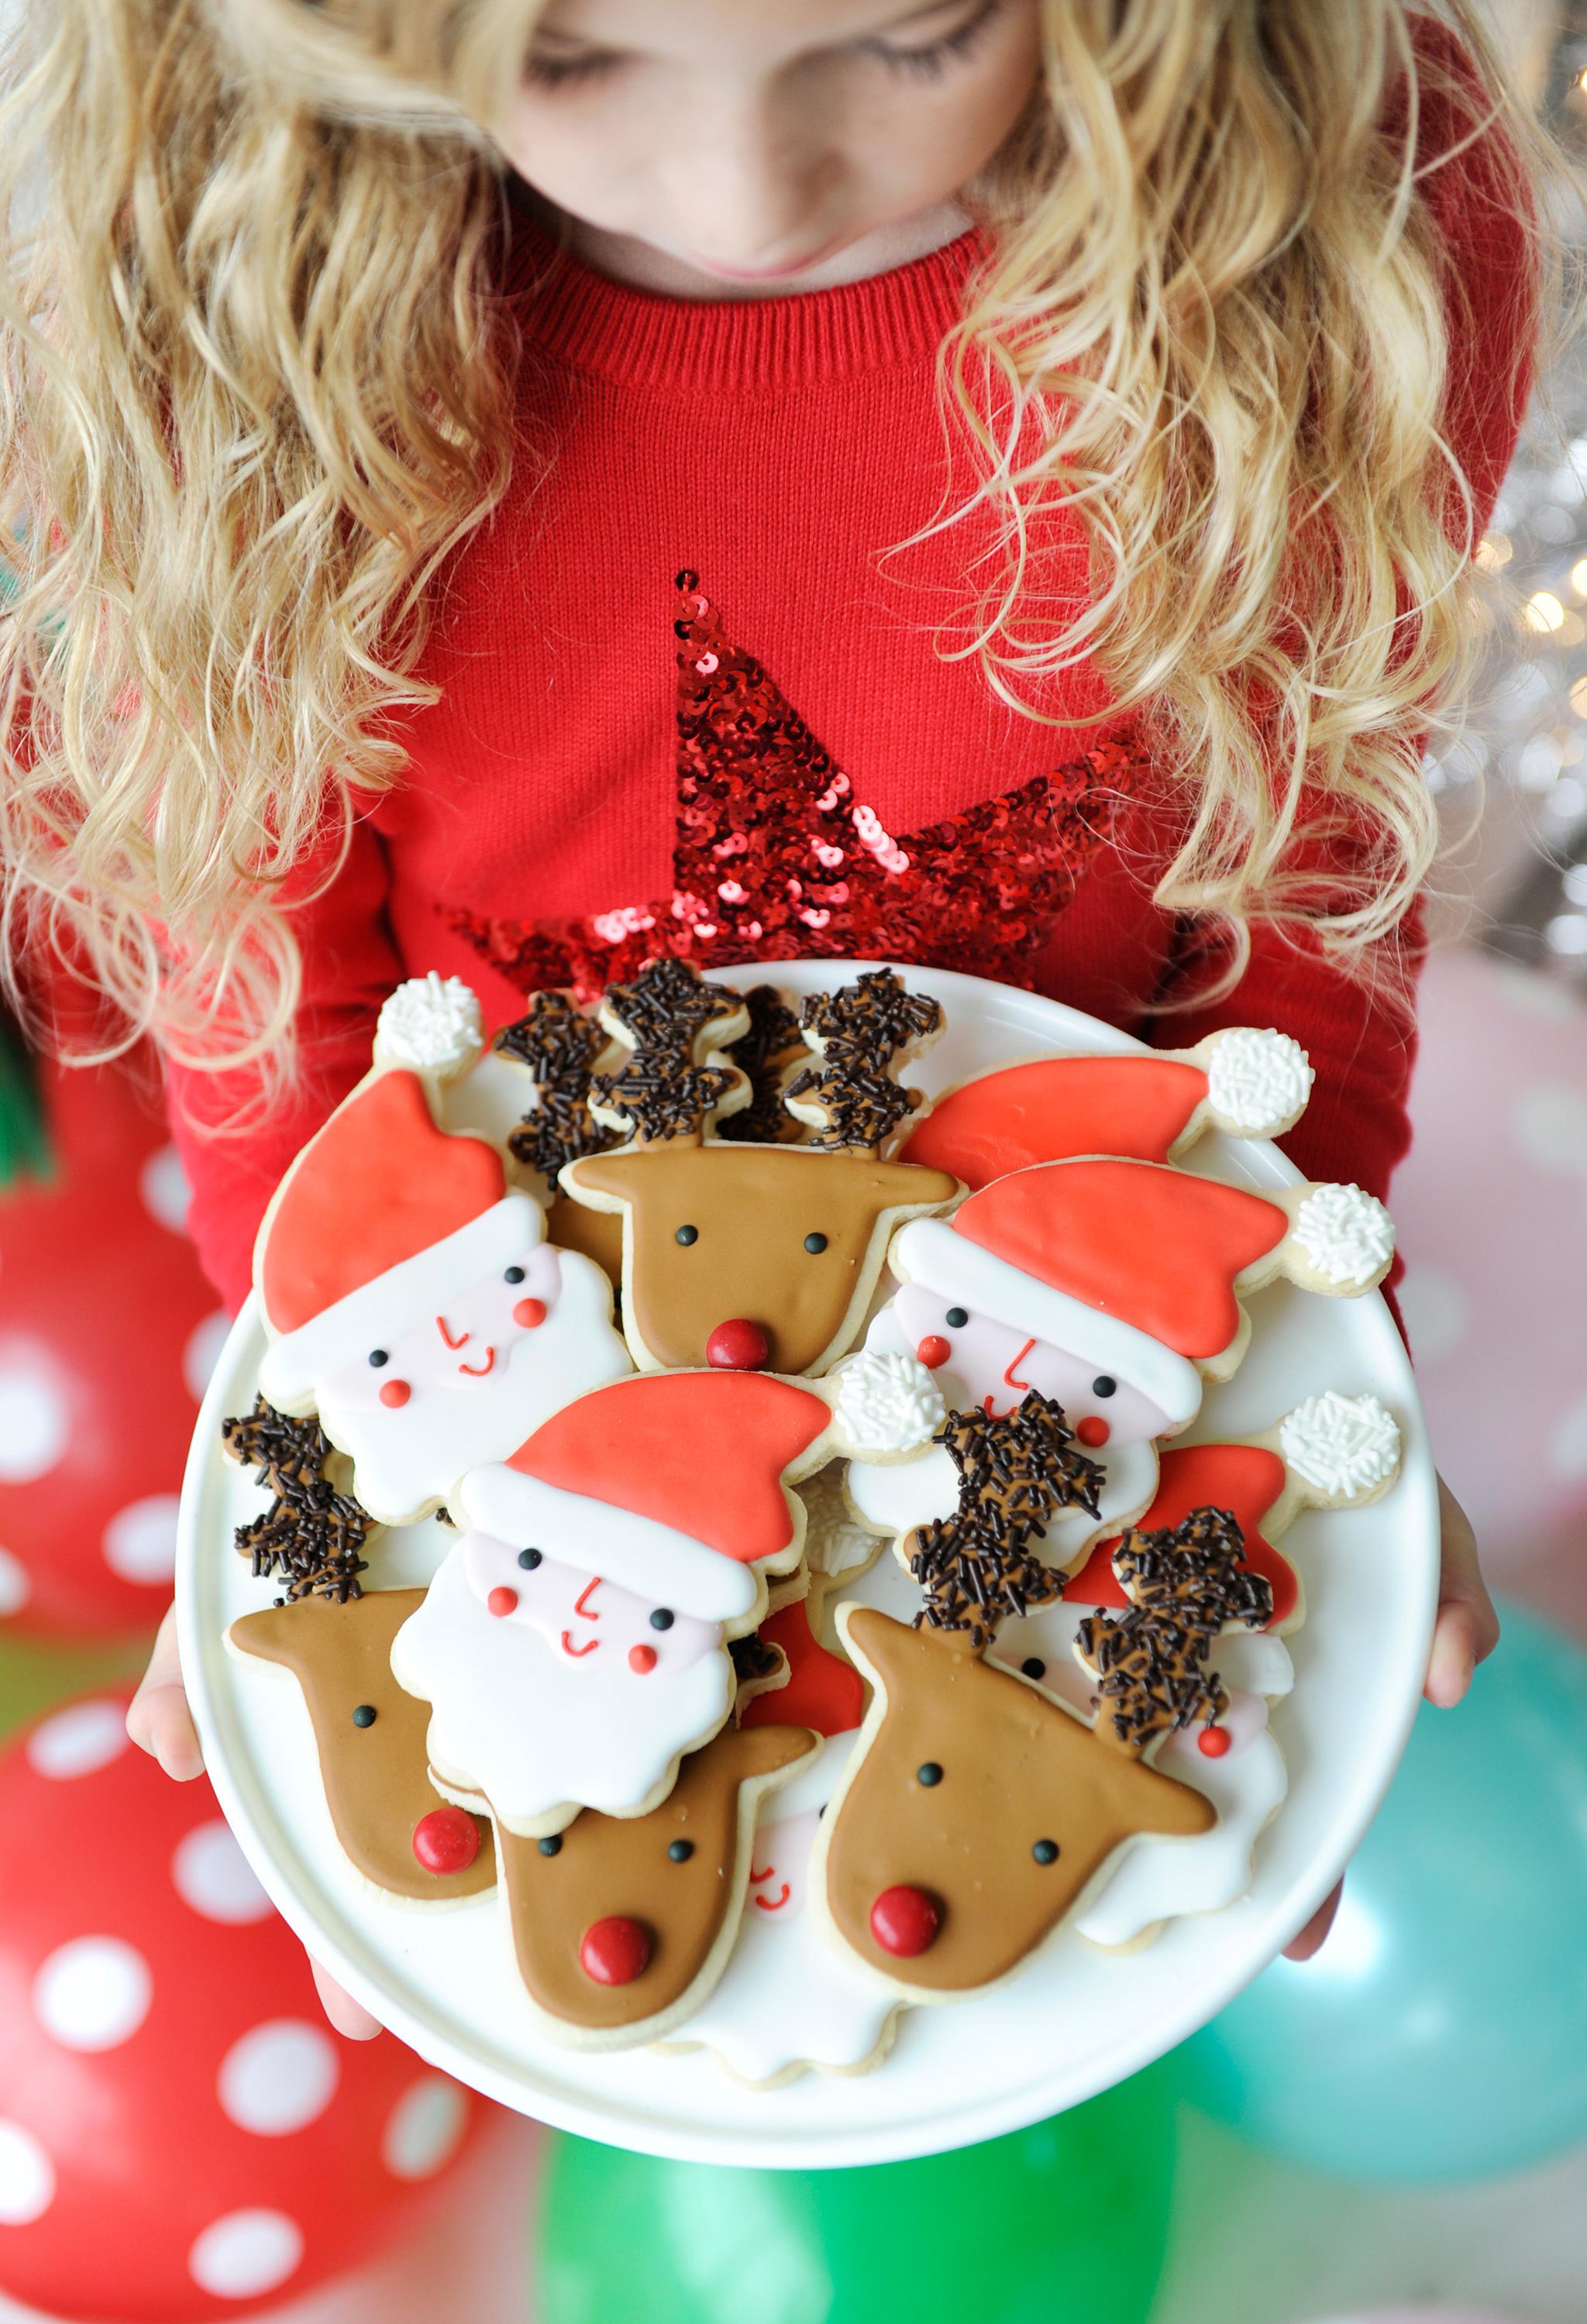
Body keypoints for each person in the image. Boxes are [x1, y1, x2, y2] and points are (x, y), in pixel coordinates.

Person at [0, 0, 1551, 2036]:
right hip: (516, 1306)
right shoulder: (211, 273)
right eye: (570, 58)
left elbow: (1306, 879)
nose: (749, 192)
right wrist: (324, 1424)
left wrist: (1316, 1319)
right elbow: (259, 975)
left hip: (1070, 1306)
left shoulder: (1348, 197)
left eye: (913, 39)